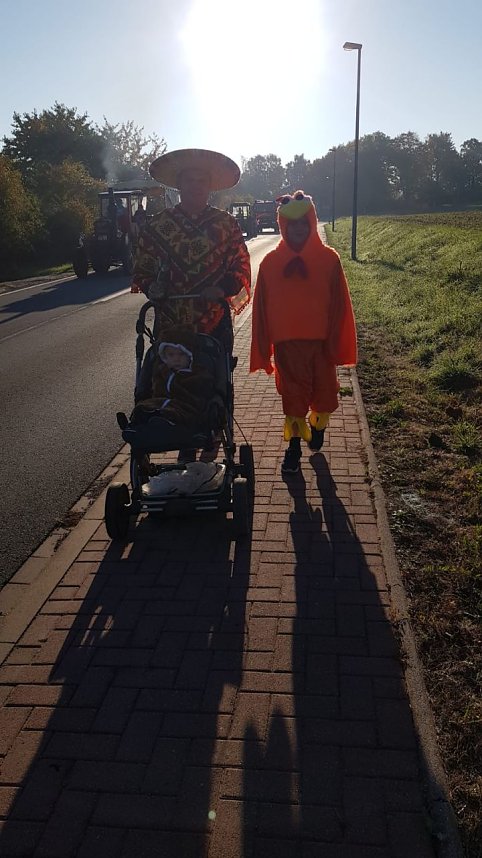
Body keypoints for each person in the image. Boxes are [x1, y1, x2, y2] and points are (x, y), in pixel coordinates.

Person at [131, 148, 251, 462]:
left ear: (209, 187)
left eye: (202, 181)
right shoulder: (158, 226)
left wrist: (222, 287)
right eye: (189, 180)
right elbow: (142, 267)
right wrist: (152, 287)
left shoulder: (225, 224)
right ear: (179, 186)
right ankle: (182, 432)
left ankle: (213, 432)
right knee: (173, 377)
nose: (196, 186)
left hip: (213, 321)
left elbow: (241, 267)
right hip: (172, 321)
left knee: (214, 379)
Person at [250, 190, 357, 475]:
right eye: (291, 224)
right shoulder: (270, 263)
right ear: (283, 226)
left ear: (311, 222)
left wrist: (337, 340)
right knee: (293, 396)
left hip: (321, 342)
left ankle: (318, 425)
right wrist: (263, 348)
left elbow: (339, 303)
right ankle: (294, 448)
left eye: (303, 223)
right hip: (287, 343)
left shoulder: (329, 260)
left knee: (325, 395)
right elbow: (260, 307)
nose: (297, 229)